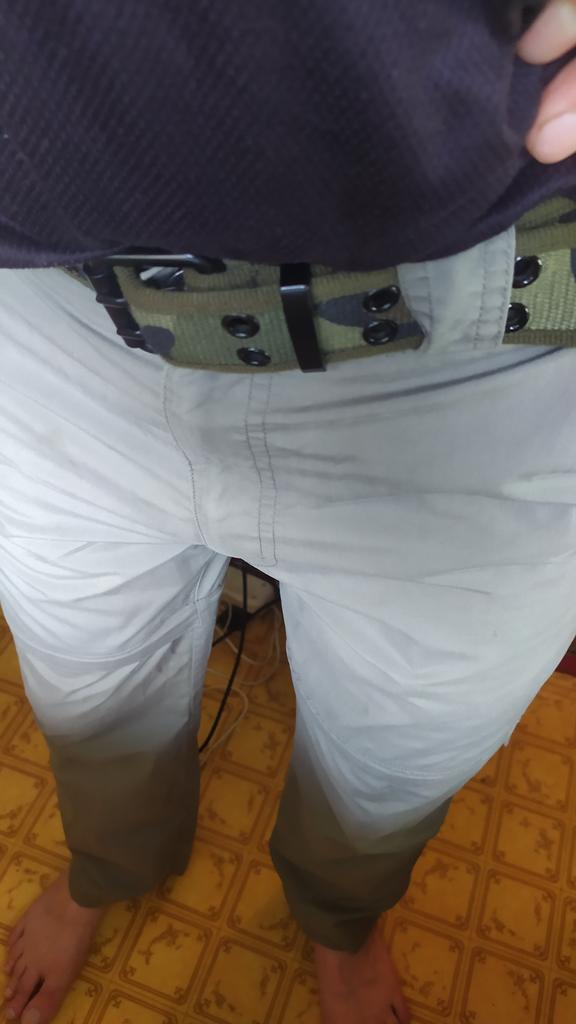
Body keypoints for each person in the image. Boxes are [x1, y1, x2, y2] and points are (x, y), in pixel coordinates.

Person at [1, 2, 576, 1023]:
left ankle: (339, 920)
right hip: (51, 312)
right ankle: (109, 865)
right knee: (88, 680)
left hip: (484, 338)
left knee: (404, 746)